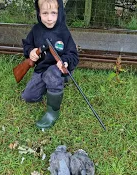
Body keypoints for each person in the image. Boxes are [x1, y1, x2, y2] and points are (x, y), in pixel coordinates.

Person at [21, 0, 79, 129]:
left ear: (60, 13)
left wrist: (65, 61)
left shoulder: (63, 31)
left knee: (52, 74)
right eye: (45, 13)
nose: (49, 18)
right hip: (41, 69)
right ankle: (48, 86)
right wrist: (30, 52)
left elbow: (73, 55)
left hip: (58, 70)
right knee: (28, 97)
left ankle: (52, 113)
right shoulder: (36, 30)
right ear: (39, 13)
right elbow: (27, 44)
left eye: (53, 13)